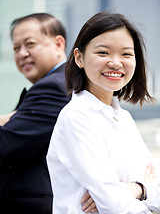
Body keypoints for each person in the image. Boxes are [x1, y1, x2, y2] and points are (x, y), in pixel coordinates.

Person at [47, 12, 160, 214]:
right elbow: (113, 205)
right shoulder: (77, 116)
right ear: (79, 58)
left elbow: (156, 186)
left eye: (126, 54)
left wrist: (136, 188)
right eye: (103, 53)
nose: (116, 63)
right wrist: (143, 189)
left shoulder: (123, 118)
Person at [0, 13, 96, 214]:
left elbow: (5, 144)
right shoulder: (64, 82)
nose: (22, 54)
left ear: (59, 43)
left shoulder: (54, 87)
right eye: (16, 48)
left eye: (30, 44)